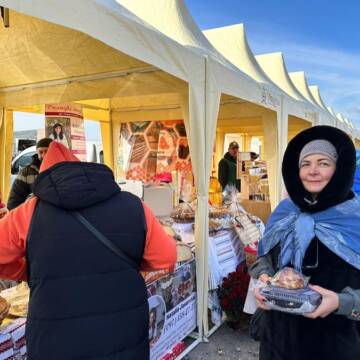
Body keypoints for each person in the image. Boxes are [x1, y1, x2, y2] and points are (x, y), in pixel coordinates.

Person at [0, 141, 177, 359]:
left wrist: (31, 272)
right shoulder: (133, 205)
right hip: (123, 335)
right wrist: (131, 264)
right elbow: (167, 258)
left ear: (45, 176)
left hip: (54, 341)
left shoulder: (27, 213)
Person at [250, 125, 360, 360]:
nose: (313, 171)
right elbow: (263, 259)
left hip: (336, 345)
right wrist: (264, 279)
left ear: (338, 168)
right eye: (305, 164)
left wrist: (341, 302)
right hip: (278, 342)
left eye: (323, 163)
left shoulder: (355, 218)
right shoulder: (285, 211)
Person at [7, 138, 52, 210]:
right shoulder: (27, 172)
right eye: (41, 152)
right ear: (37, 153)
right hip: (33, 217)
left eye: (47, 151)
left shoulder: (62, 169)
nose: (44, 155)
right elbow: (14, 201)